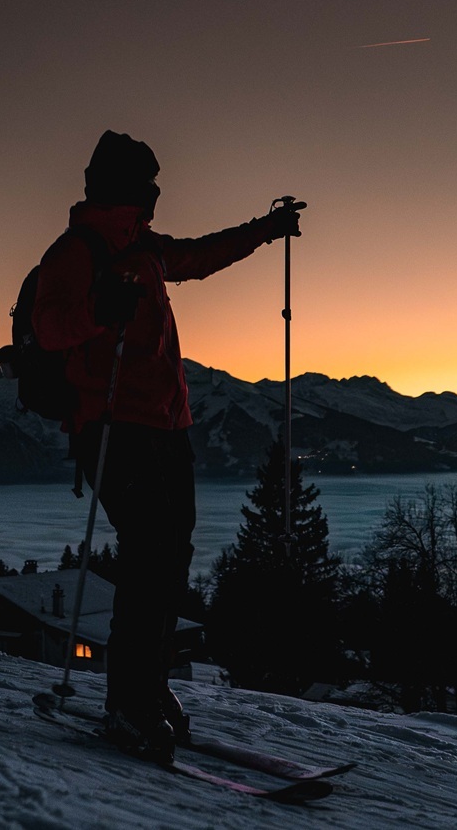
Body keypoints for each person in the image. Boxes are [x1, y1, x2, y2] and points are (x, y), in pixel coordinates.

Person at [34, 130, 302, 759]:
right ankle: (129, 699)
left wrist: (265, 230)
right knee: (150, 554)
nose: (157, 194)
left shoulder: (146, 250)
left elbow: (200, 256)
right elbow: (49, 328)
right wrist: (103, 309)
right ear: (124, 188)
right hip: (112, 426)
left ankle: (147, 687)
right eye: (149, 184)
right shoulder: (76, 251)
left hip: (165, 427)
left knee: (168, 556)